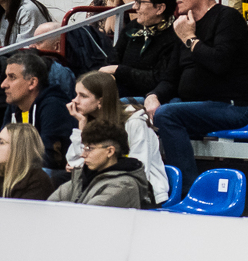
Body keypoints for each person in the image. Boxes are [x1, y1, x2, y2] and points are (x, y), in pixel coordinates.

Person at [145, 0, 248, 191]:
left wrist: (190, 38)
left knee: (167, 113)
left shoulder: (228, 18)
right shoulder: (183, 25)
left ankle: (189, 190)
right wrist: (153, 95)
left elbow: (219, 63)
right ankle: (147, 187)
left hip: (231, 106)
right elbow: (170, 78)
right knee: (132, 109)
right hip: (191, 105)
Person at [62, 71, 168, 204]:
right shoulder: (89, 121)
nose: (75, 101)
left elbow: (139, 169)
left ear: (100, 101)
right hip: (103, 185)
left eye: (83, 96)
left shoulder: (135, 122)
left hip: (144, 192)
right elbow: (74, 164)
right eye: (76, 94)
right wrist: (82, 125)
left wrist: (88, 167)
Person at [99, 0, 181, 99]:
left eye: (140, 2)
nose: (134, 7)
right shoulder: (134, 27)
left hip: (149, 97)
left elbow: (158, 79)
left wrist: (118, 70)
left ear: (160, 8)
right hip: (120, 90)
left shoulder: (175, 35)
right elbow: (111, 61)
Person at [47, 118, 155, 209]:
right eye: (83, 148)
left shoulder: (124, 186)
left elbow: (85, 218)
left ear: (110, 151)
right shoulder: (81, 178)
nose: (83, 154)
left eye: (89, 149)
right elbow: (48, 208)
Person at [0, 50, 70, 170]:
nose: (3, 84)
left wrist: (8, 166)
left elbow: (49, 157)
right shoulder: (15, 105)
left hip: (51, 172)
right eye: (6, 77)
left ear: (32, 82)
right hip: (18, 165)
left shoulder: (53, 106)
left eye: (12, 77)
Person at [30, 23, 75, 101]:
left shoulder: (60, 73)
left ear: (57, 46)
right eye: (33, 41)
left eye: (39, 42)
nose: (31, 46)